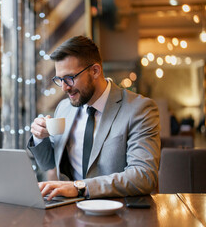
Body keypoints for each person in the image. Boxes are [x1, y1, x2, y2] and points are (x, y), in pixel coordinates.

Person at [27, 36, 160, 200]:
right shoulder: (64, 108)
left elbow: (144, 176)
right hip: (68, 209)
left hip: (117, 210)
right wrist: (39, 137)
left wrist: (80, 187)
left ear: (95, 71)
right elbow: (48, 163)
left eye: (69, 78)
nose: (64, 87)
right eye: (59, 79)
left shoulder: (139, 109)